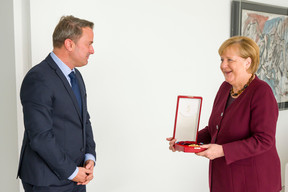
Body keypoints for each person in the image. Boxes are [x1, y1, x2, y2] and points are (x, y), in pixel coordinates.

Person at [167, 36, 282, 192]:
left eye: (229, 60)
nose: (223, 65)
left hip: (253, 181)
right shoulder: (225, 88)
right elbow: (214, 130)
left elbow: (264, 140)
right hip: (224, 178)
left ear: (247, 62)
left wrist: (222, 150)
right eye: (221, 59)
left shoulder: (262, 92)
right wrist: (185, 140)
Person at [17, 15, 96, 192]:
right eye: (89, 44)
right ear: (69, 44)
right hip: (48, 181)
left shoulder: (76, 76)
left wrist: (90, 157)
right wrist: (71, 171)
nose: (92, 50)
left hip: (77, 177)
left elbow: (84, 120)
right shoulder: (38, 78)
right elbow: (40, 136)